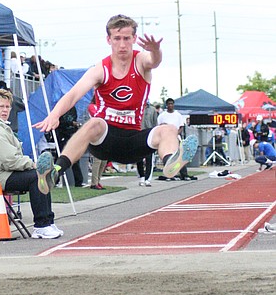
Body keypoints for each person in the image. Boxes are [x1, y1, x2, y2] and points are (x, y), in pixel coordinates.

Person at [33, 14, 198, 193]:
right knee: (95, 122)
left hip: (134, 141)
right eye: (117, 38)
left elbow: (154, 61)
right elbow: (73, 95)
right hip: (106, 140)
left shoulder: (140, 60)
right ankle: (55, 172)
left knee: (169, 129)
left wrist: (156, 50)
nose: (122, 44)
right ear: (108, 39)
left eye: (127, 38)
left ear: (134, 39)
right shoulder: (100, 69)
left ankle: (170, 163)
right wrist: (54, 115)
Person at [0, 88, 63, 239]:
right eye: (1, 106)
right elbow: (8, 160)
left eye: (8, 106)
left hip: (0, 173)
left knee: (42, 175)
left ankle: (48, 222)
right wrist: (32, 164)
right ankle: (42, 225)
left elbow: (9, 160)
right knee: (37, 176)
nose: (5, 110)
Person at [156, 97, 195, 180]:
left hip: (176, 138)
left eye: (172, 104)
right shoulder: (162, 116)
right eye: (169, 104)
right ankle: (170, 173)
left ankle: (184, 174)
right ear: (166, 105)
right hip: (166, 140)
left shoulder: (178, 115)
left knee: (180, 156)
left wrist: (175, 134)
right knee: (168, 156)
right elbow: (158, 127)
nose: (170, 105)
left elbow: (181, 127)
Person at [136, 100, 158, 186]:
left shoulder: (152, 110)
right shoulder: (138, 108)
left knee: (149, 157)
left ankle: (148, 178)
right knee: (139, 157)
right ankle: (141, 176)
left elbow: (155, 124)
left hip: (149, 135)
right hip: (139, 134)